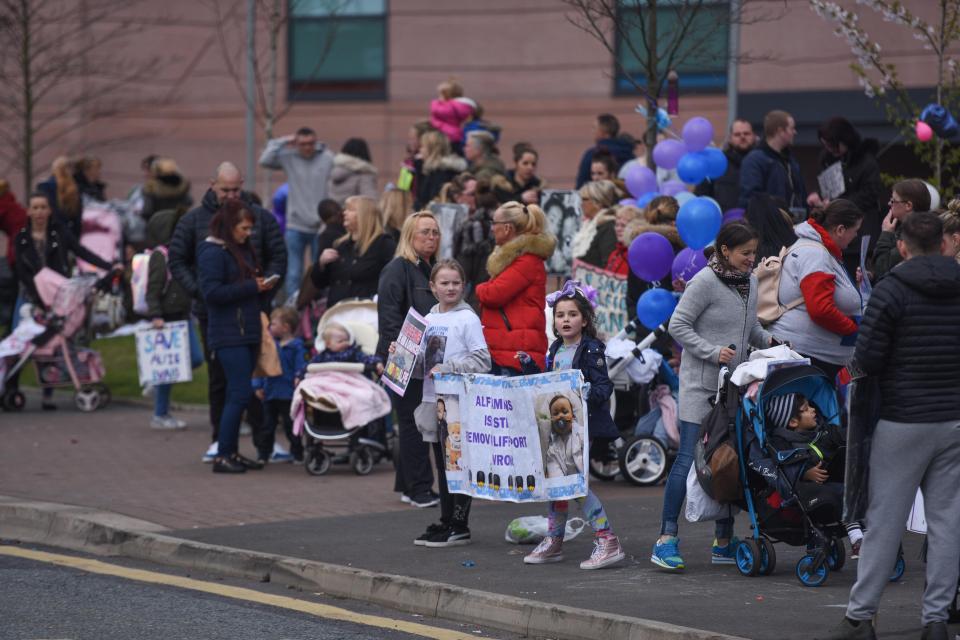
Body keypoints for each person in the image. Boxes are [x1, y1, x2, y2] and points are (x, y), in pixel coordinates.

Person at [819, 212, 960, 640]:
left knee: (884, 519)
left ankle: (860, 616)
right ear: (943, 243)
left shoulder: (891, 290)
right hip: (953, 419)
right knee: (947, 521)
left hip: (901, 418)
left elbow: (869, 359)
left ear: (902, 246)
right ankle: (936, 618)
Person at [652, 221, 774, 570]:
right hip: (700, 388)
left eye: (754, 252)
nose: (752, 259)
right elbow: (678, 325)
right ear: (725, 251)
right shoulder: (704, 282)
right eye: (745, 253)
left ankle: (723, 541)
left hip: (734, 387)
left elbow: (751, 328)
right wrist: (711, 350)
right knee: (689, 460)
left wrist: (772, 344)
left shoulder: (749, 281)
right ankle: (665, 539)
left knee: (729, 461)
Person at [168, 162, 286, 463]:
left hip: (252, 312)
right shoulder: (197, 224)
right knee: (226, 384)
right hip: (218, 315)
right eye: (225, 189)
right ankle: (221, 444)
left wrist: (264, 288)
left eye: (236, 189)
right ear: (212, 185)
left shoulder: (259, 217)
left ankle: (261, 443)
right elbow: (179, 261)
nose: (232, 195)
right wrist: (201, 291)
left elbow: (276, 256)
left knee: (253, 382)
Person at [519, 283, 625, 569]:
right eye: (560, 315)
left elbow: (604, 386)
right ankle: (555, 540)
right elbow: (548, 385)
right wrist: (530, 367)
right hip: (558, 428)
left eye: (572, 314)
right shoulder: (555, 349)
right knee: (557, 483)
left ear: (585, 320)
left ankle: (607, 539)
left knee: (574, 484)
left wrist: (586, 391)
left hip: (582, 427)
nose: (565, 320)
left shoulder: (591, 349)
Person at [409, 259, 490, 548]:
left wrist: (450, 366)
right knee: (442, 466)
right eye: (444, 283)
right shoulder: (427, 320)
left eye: (456, 282)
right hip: (433, 399)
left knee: (457, 464)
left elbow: (483, 360)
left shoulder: (467, 319)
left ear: (464, 285)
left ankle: (460, 524)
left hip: (458, 402)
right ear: (433, 287)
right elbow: (423, 366)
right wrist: (401, 357)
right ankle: (446, 520)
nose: (451, 287)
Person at [12, 192, 119, 408]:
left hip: (58, 295)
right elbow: (22, 272)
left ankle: (48, 394)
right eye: (35, 208)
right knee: (19, 341)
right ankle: (11, 387)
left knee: (54, 341)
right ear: (29, 211)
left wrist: (109, 266)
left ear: (49, 211)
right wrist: (37, 298)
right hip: (30, 296)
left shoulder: (59, 233)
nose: (40, 212)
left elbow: (81, 251)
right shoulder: (21, 238)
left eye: (43, 207)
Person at [197, 200, 278, 474]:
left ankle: (230, 451)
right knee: (239, 393)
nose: (248, 233)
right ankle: (222, 454)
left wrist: (261, 286)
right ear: (230, 226)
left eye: (250, 229)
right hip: (228, 332)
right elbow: (212, 293)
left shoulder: (240, 249)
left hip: (247, 329)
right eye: (244, 228)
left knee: (241, 394)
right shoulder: (212, 252)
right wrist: (250, 287)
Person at [377, 211, 442, 508]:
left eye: (435, 232)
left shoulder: (429, 269)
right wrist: (394, 354)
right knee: (413, 422)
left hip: (425, 358)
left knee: (411, 422)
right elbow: (389, 317)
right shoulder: (397, 269)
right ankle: (419, 488)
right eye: (425, 232)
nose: (431, 237)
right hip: (403, 357)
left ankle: (408, 485)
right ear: (409, 236)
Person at [751, 393, 863, 549]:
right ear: (792, 421)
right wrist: (804, 472)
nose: (813, 410)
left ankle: (867, 533)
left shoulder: (820, 433)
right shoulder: (782, 444)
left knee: (853, 482)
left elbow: (839, 436)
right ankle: (856, 538)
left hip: (828, 484)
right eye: (806, 409)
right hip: (804, 491)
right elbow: (782, 469)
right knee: (843, 494)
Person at [769, 200, 864, 384]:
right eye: (856, 230)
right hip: (811, 357)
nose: (856, 235)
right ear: (841, 230)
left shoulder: (812, 248)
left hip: (811, 354)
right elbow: (820, 309)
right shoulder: (816, 255)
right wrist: (854, 331)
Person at [475, 202, 556, 374]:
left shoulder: (527, 261)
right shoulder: (518, 260)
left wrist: (480, 288)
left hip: (514, 354)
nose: (491, 229)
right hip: (508, 349)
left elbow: (493, 294)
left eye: (494, 223)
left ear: (507, 228)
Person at [143, 206, 204, 430]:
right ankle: (160, 414)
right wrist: (156, 315)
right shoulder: (160, 256)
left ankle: (155, 384)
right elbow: (154, 289)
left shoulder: (182, 254)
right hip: (166, 320)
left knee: (194, 359)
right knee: (168, 369)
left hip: (183, 316)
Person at [259, 127, 335, 298]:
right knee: (293, 273)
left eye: (310, 143)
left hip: (319, 226)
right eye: (302, 144)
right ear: (296, 143)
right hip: (295, 225)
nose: (307, 147)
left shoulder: (326, 158)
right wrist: (284, 140)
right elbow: (265, 160)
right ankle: (293, 309)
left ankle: (316, 304)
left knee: (319, 270)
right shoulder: (289, 157)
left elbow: (338, 167)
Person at [806, 117, 882, 276]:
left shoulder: (866, 161)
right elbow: (824, 186)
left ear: (845, 139)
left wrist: (837, 203)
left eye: (832, 145)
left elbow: (870, 194)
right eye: (825, 145)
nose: (829, 149)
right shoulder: (827, 159)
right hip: (834, 233)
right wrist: (817, 196)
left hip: (860, 232)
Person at [311, 195, 396, 307]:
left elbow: (394, 281)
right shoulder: (340, 244)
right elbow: (319, 283)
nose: (344, 213)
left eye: (350, 210)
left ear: (364, 215)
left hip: (365, 314)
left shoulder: (383, 244)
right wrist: (321, 264)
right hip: (336, 312)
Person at [252, 307, 306, 465]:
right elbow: (261, 366)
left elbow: (301, 366)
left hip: (288, 394)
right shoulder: (269, 346)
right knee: (267, 426)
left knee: (291, 426)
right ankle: (263, 454)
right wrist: (257, 385)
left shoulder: (297, 347)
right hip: (270, 393)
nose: (269, 327)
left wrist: (299, 377)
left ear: (286, 327)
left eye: (273, 324)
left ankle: (297, 453)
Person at [738, 110, 806, 213]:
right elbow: (750, 199)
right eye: (791, 128)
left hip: (792, 224)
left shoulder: (790, 161)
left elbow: (801, 194)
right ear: (780, 131)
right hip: (769, 226)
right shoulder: (754, 161)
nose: (794, 132)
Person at [871, 178, 930, 280]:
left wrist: (886, 233)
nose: (889, 204)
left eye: (893, 201)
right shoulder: (921, 227)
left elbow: (881, 268)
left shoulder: (914, 234)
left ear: (908, 205)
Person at [695, 119, 756, 212]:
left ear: (754, 136)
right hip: (724, 222)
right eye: (737, 134)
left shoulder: (763, 163)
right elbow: (701, 195)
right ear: (730, 138)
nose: (742, 137)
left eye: (746, 133)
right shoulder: (717, 163)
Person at [297, 321, 383, 380]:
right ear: (328, 344)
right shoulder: (323, 356)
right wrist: (300, 375)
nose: (345, 343)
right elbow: (309, 365)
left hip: (351, 381)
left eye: (347, 340)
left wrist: (377, 363)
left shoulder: (353, 352)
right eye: (340, 341)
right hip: (329, 382)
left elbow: (367, 358)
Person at [575, 113, 634, 188]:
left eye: (594, 128)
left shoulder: (592, 154)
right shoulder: (629, 153)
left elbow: (581, 184)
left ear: (603, 131)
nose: (592, 132)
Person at [413, 130, 467, 210]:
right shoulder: (433, 169)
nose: (420, 150)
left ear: (432, 149)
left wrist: (419, 168)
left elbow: (424, 199)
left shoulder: (441, 173)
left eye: (422, 146)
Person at [572, 180, 621, 269]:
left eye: (585, 199)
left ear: (598, 202)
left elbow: (607, 264)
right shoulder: (587, 225)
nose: (581, 203)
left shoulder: (608, 227)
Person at [36, 156, 82, 240]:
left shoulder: (44, 187)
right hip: (69, 236)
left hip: (49, 235)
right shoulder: (74, 190)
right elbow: (77, 221)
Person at [328, 137, 378, 205]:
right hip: (354, 213)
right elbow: (370, 199)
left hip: (334, 212)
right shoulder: (364, 173)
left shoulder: (335, 169)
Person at [140, 158, 192, 223]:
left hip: (155, 227)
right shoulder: (183, 188)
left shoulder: (150, 189)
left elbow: (146, 211)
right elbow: (189, 202)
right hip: (178, 225)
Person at [429, 78, 473, 150]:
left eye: (440, 94)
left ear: (446, 96)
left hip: (447, 136)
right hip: (454, 135)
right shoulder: (460, 106)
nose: (438, 98)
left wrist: (435, 103)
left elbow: (436, 111)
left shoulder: (448, 107)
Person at [605, 204, 643, 276]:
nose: (618, 229)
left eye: (623, 225)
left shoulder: (638, 256)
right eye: (617, 225)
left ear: (635, 227)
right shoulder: (614, 254)